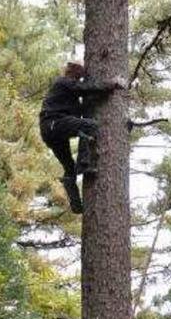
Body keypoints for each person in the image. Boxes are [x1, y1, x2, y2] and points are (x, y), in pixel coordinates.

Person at [39, 62, 120, 213]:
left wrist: (99, 94)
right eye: (79, 76)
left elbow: (82, 101)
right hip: (54, 123)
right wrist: (110, 84)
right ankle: (84, 163)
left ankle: (75, 203)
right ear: (72, 73)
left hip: (51, 131)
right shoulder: (63, 82)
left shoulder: (69, 95)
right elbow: (84, 88)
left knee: (69, 167)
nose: (80, 79)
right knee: (90, 126)